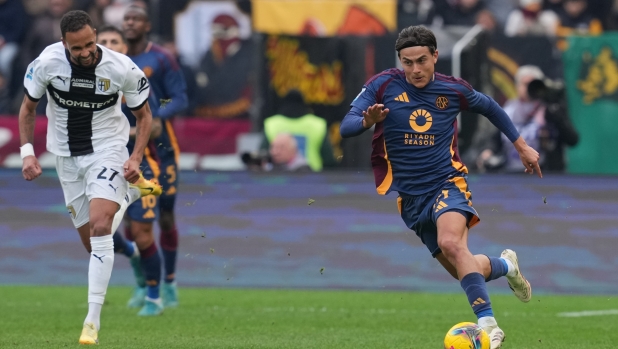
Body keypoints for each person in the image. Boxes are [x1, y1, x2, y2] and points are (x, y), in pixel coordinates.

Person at [340, 26, 542, 349]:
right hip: (411, 199)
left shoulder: (452, 90)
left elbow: (489, 105)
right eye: (408, 62)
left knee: (451, 242)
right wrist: (366, 121)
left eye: (422, 60)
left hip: (448, 183)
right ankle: (507, 265)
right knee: (463, 266)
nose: (415, 70)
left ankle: (488, 326)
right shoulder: (381, 86)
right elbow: (346, 125)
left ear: (435, 56)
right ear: (400, 61)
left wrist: (520, 145)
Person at [19, 10, 161, 344]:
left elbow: (144, 115)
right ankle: (129, 193)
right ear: (63, 43)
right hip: (66, 158)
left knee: (100, 226)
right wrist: (27, 152)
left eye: (89, 44)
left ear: (95, 34)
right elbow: (28, 109)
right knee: (93, 243)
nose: (85, 52)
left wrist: (136, 156)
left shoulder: (121, 67)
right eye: (76, 48)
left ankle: (92, 321)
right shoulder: (47, 63)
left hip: (108, 150)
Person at [97, 24, 166, 316]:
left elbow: (156, 124)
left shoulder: (135, 79)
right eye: (104, 41)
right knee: (98, 229)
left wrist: (116, 134)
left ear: (125, 47)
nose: (110, 45)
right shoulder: (90, 80)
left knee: (142, 233)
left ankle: (154, 296)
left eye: (115, 40)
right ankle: (134, 257)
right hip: (102, 166)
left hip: (142, 164)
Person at [123, 5, 188, 308]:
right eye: (126, 19)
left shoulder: (161, 58)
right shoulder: (115, 59)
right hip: (126, 149)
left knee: (165, 215)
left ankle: (170, 281)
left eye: (135, 19)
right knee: (130, 219)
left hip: (162, 151)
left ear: (147, 25)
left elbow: (181, 97)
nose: (129, 23)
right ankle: (143, 282)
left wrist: (159, 115)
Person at [262, 89, 337, 172]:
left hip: (275, 179)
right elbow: (329, 160)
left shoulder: (272, 124)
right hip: (313, 180)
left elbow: (263, 155)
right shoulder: (317, 125)